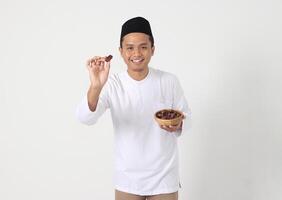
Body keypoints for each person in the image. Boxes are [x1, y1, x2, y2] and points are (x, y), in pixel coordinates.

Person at [76, 16, 191, 200]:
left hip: (164, 177)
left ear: (152, 49)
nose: (136, 53)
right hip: (127, 178)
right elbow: (85, 118)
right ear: (121, 51)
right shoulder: (112, 83)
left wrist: (177, 125)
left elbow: (186, 117)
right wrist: (96, 86)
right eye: (130, 47)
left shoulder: (169, 81)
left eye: (143, 47)